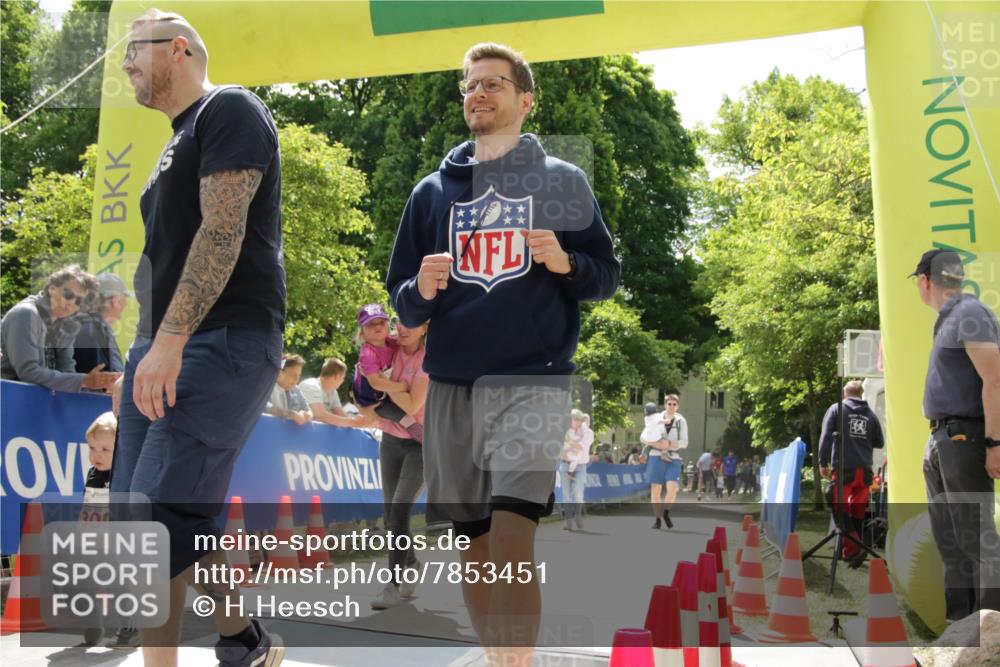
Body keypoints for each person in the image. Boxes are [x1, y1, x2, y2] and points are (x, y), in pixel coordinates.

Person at [386, 41, 620, 667]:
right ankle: (501, 659)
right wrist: (421, 290)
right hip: (452, 382)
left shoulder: (562, 181)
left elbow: (606, 276)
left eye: (493, 83)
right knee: (475, 544)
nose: (478, 94)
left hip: (532, 382)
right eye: (469, 85)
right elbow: (402, 304)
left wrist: (566, 262)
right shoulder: (431, 193)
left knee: (514, 535)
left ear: (525, 99)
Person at [114, 8, 285, 666]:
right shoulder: (173, 141)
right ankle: (244, 641)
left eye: (136, 50)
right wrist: (140, 354)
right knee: (164, 518)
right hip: (162, 345)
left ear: (178, 49)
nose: (127, 65)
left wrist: (170, 340)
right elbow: (161, 258)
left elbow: (221, 232)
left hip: (222, 338)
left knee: (158, 516)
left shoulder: (228, 109)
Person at [912, 248, 1000, 622]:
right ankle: (960, 633)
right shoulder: (951, 317)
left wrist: (995, 443)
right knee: (952, 545)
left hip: (966, 437)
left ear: (925, 281)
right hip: (943, 439)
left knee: (978, 542)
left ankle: (991, 638)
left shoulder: (969, 312)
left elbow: (995, 378)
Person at [362, 321, 430, 609]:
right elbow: (366, 389)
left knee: (400, 506)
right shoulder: (386, 348)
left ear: (425, 328)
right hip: (391, 439)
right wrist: (394, 393)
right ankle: (411, 562)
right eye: (399, 321)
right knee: (392, 515)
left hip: (423, 443)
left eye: (412, 324)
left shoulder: (429, 359)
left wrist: (388, 392)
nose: (402, 328)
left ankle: (393, 583)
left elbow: (414, 406)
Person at [1, 265, 119, 392]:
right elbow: (28, 372)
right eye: (68, 295)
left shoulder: (68, 324)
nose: (72, 303)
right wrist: (84, 381)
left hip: (36, 400)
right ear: (52, 288)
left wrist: (98, 383)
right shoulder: (26, 314)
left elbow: (67, 370)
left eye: (78, 301)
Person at [80, 411, 139, 648]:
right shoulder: (93, 474)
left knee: (119, 584)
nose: (97, 455)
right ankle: (92, 624)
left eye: (105, 449)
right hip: (94, 538)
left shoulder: (122, 475)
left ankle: (130, 628)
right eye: (93, 448)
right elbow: (89, 503)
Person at [818, 379, 885, 566]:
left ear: (844, 394)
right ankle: (850, 552)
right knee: (857, 511)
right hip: (864, 471)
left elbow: (825, 437)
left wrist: (822, 462)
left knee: (840, 508)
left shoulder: (836, 409)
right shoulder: (871, 415)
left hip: (843, 468)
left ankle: (855, 548)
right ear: (861, 393)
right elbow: (879, 442)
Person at [352, 304, 422, 440]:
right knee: (404, 418)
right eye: (371, 324)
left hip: (384, 393)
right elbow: (376, 382)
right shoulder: (368, 353)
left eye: (382, 322)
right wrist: (401, 387)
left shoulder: (391, 341)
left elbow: (409, 336)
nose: (377, 327)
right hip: (372, 399)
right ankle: (419, 435)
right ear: (362, 333)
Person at [73, 273, 131, 376]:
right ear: (115, 301)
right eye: (125, 298)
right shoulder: (93, 331)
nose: (126, 303)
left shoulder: (90, 326)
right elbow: (103, 384)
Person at [298, 357, 371, 428]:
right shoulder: (311, 385)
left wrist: (360, 422)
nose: (342, 381)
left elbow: (341, 415)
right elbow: (320, 415)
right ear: (337, 376)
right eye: (343, 378)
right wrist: (352, 422)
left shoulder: (332, 391)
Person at [559, 409, 593, 531]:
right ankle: (568, 521)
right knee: (566, 495)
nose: (578, 422)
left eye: (579, 420)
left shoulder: (588, 433)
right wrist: (562, 451)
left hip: (580, 466)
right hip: (564, 465)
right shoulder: (565, 431)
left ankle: (578, 515)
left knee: (578, 493)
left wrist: (568, 442)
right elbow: (559, 447)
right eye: (575, 419)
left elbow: (580, 448)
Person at [265, 354, 312, 425]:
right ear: (280, 373)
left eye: (299, 375)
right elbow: (263, 406)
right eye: (294, 375)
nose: (297, 379)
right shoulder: (265, 385)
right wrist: (289, 414)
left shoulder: (296, 389)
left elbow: (309, 411)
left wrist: (307, 415)